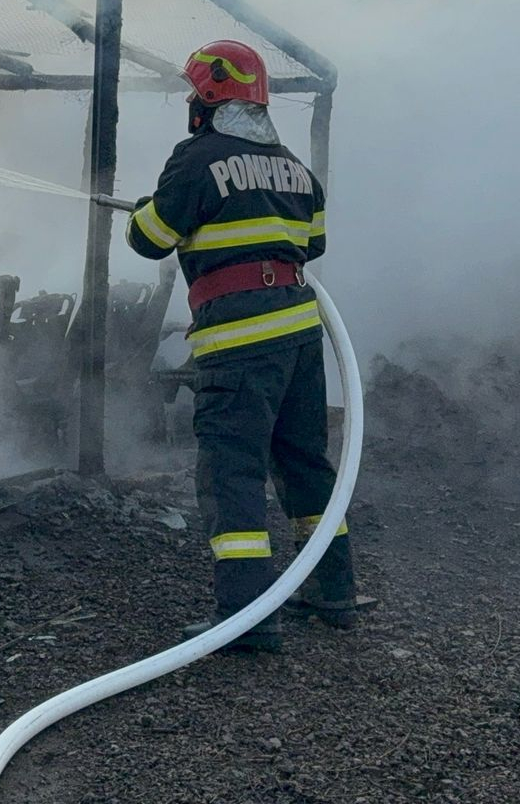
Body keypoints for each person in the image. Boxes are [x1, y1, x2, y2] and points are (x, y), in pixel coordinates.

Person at [124, 38, 359, 653]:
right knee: (305, 465)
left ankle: (246, 618)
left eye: (193, 95)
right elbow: (313, 244)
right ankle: (333, 591)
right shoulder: (296, 169)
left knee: (232, 473)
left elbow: (149, 239)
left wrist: (146, 210)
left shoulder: (197, 159)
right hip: (299, 338)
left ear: (210, 96)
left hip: (238, 343)